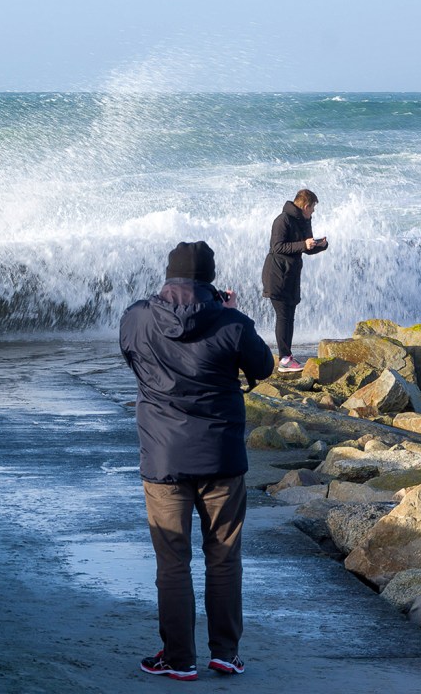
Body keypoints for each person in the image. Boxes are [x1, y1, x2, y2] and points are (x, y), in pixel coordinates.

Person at [119, 240, 274, 681]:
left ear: (168, 277)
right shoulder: (231, 322)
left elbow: (132, 358)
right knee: (223, 556)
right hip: (222, 458)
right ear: (210, 279)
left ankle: (178, 658)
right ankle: (225, 652)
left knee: (172, 561)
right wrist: (235, 312)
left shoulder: (136, 318)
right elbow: (262, 368)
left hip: (164, 457)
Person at [261, 188, 328, 372]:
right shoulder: (282, 220)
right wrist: (303, 244)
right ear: (306, 206)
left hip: (291, 276)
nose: (313, 212)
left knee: (289, 316)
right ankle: (284, 359)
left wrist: (321, 245)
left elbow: (305, 248)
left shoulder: (303, 221)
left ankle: (287, 357)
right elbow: (277, 246)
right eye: (312, 209)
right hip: (276, 274)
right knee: (283, 316)